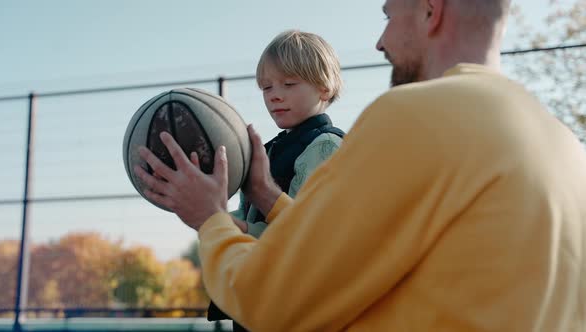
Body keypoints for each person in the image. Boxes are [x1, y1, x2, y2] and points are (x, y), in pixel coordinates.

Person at [135, 0, 586, 331]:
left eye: (389, 15)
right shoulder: (565, 147)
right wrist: (270, 199)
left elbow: (273, 298)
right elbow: (354, 251)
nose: (379, 41)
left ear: (431, 11)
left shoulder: (415, 115)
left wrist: (210, 218)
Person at [206, 29, 345, 331]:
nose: (275, 95)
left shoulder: (325, 147)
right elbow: (249, 212)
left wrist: (238, 228)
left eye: (289, 84)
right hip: (262, 296)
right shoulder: (268, 148)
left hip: (298, 306)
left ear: (324, 87)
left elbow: (306, 233)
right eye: (266, 88)